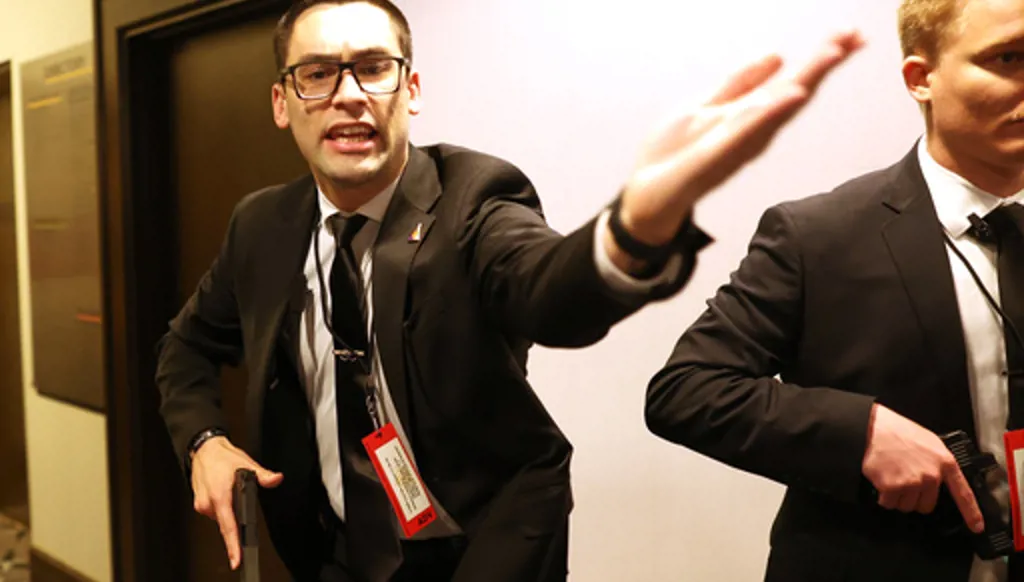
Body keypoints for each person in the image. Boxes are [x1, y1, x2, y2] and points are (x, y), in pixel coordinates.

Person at [154, 0, 861, 580]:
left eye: (374, 69)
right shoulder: (262, 226)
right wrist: (205, 442)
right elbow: (186, 347)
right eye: (317, 74)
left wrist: (632, 229)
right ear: (284, 103)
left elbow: (549, 292)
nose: (348, 94)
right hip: (331, 553)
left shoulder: (474, 196)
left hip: (482, 547)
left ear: (413, 90)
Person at [644, 0, 1024, 580]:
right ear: (922, 79)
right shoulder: (816, 235)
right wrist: (860, 432)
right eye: (1009, 58)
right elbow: (687, 391)